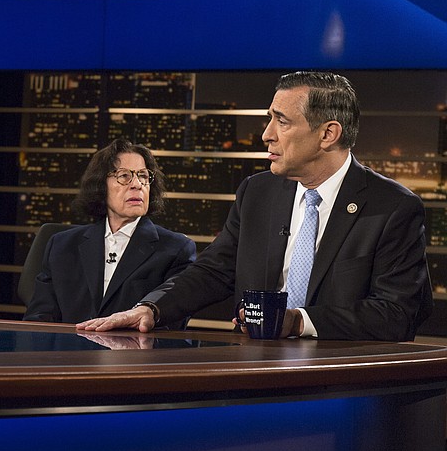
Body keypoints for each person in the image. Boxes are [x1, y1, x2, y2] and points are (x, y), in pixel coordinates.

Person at [78, 72, 432, 341]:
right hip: (254, 370)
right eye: (269, 118)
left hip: (339, 383)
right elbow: (214, 270)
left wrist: (297, 320)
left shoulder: (393, 208)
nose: (267, 134)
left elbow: (397, 312)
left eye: (282, 121)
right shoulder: (257, 192)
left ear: (328, 134)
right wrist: (150, 309)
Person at [23, 138, 196, 324]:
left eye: (143, 176)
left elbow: (173, 326)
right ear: (100, 185)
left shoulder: (175, 249)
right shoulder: (62, 245)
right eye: (124, 176)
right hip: (68, 351)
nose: (137, 184)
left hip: (132, 352)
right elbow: (38, 319)